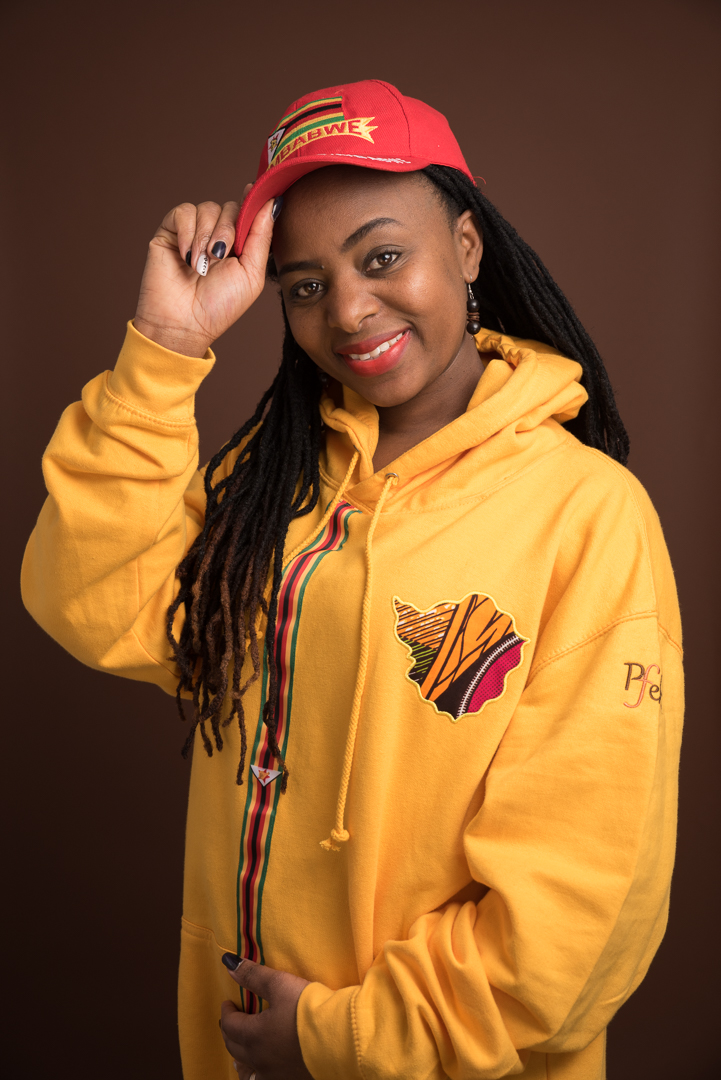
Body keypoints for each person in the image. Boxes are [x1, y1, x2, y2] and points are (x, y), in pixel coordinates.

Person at [21, 80, 683, 1080]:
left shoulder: (586, 514)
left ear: (466, 247)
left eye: (382, 258)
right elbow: (91, 598)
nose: (347, 311)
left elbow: (587, 897)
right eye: (303, 285)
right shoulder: (273, 489)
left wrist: (341, 1039)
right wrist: (168, 347)